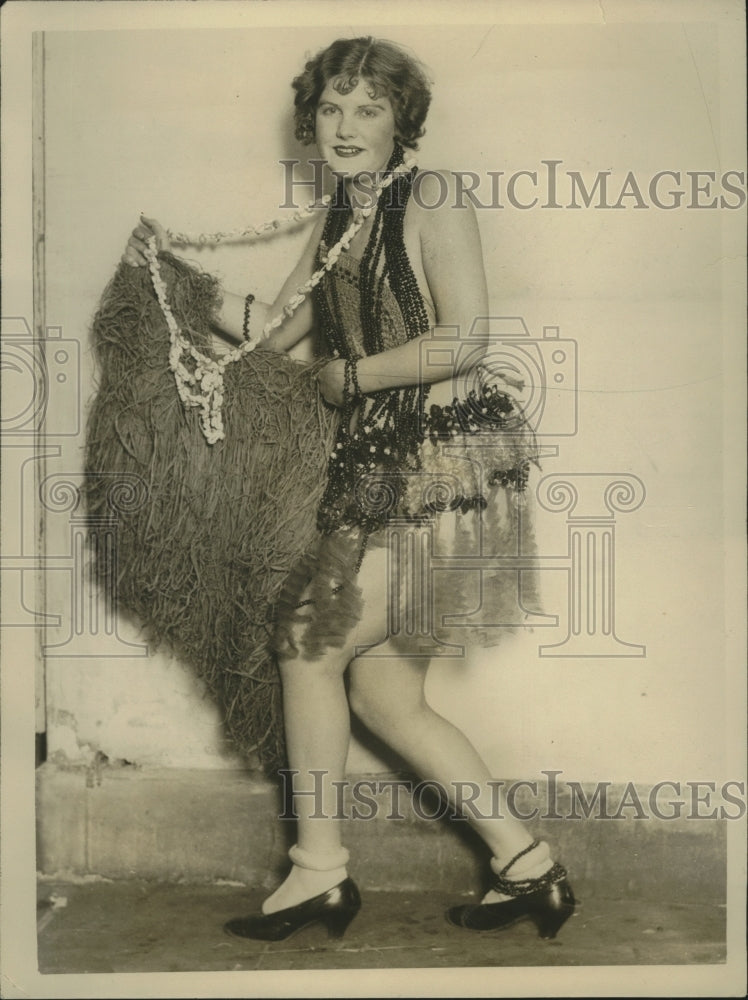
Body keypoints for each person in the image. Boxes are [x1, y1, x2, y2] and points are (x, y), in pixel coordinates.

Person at [123, 36, 575, 943]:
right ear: (310, 119)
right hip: (377, 474)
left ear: (402, 120)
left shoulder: (433, 196)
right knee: (385, 700)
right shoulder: (340, 218)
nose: (345, 126)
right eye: (331, 107)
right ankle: (529, 871)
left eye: (368, 108)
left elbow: (467, 338)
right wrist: (182, 285)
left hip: (447, 475)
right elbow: (278, 338)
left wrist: (355, 377)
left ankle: (319, 874)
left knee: (304, 642)